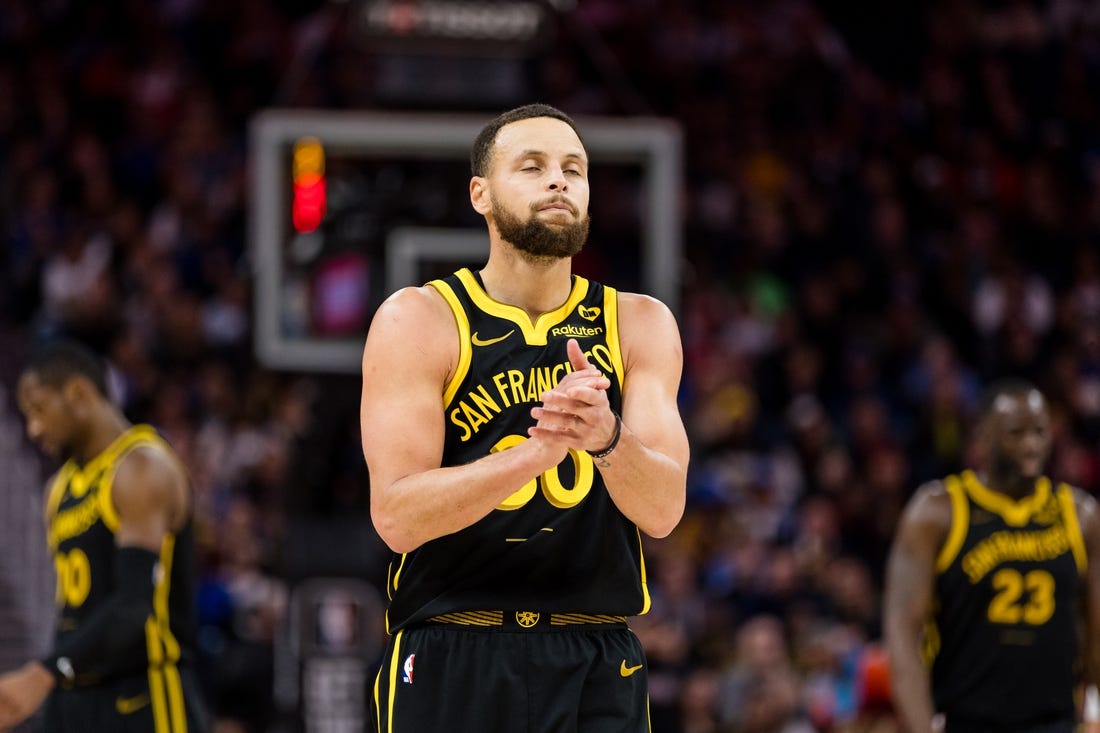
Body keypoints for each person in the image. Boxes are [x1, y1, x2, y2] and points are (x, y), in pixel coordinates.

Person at [359, 103, 690, 732]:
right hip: (453, 646)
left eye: (574, 168)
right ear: (480, 195)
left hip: (594, 653)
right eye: (532, 166)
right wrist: (534, 456)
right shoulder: (419, 319)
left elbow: (666, 509)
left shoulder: (638, 323)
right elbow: (397, 517)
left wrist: (606, 438)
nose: (559, 181)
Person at [0, 340, 208, 732]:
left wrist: (44, 672)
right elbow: (74, 612)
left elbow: (133, 609)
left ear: (78, 393)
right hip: (75, 692)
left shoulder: (142, 468)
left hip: (144, 692)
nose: (33, 428)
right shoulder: (57, 490)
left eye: (39, 410)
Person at [884, 379, 1100, 733]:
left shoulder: (1080, 516)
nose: (1031, 445)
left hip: (1057, 722)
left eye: (1040, 432)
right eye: (1017, 433)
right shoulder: (939, 513)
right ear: (982, 436)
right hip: (969, 721)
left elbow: (1096, 635)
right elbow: (904, 637)